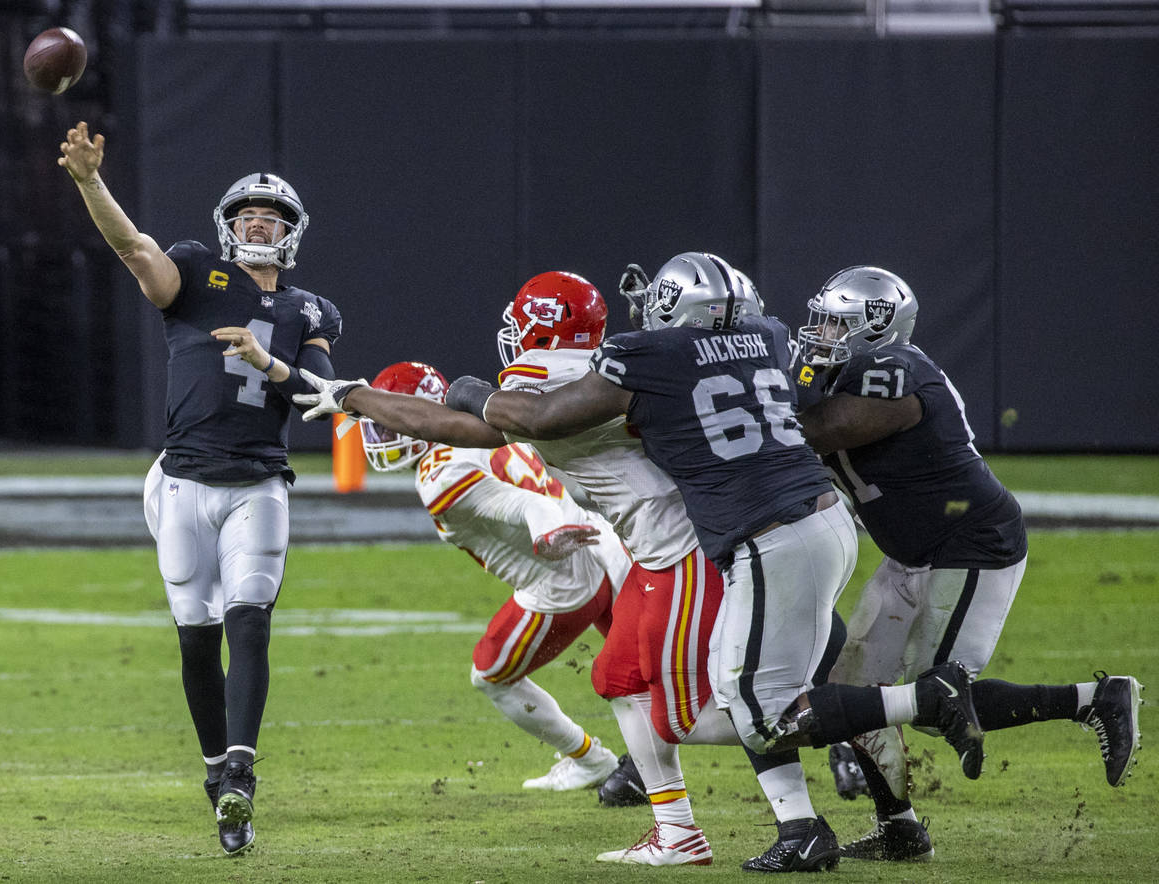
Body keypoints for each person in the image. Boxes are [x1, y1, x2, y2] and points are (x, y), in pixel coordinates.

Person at [430, 252, 991, 872]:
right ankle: (797, 822)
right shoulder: (767, 339)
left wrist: (461, 393)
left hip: (744, 537)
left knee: (747, 709)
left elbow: (540, 415)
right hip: (795, 523)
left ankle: (908, 715)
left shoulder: (647, 361)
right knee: (652, 681)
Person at [298, 271, 746, 867]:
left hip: (628, 557)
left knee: (679, 706)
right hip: (624, 549)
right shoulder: (589, 376)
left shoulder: (470, 448)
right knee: (624, 677)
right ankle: (676, 822)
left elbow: (522, 482)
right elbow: (518, 444)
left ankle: (829, 720)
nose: (386, 434)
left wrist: (548, 523)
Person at [790, 265, 1144, 861]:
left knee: (934, 700)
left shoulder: (897, 371)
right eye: (822, 318)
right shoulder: (851, 370)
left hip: (972, 543)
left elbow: (824, 429)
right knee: (854, 693)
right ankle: (899, 829)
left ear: (877, 329)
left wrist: (767, 399)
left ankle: (1097, 699)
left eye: (838, 323)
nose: (822, 332)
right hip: (911, 554)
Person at [59, 122, 343, 856]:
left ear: (291, 233)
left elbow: (322, 395)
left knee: (250, 619)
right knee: (196, 635)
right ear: (227, 226)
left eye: (271, 217)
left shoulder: (307, 310)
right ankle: (216, 773)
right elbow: (135, 251)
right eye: (248, 214)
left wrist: (269, 362)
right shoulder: (197, 277)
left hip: (258, 483)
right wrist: (91, 181)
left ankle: (242, 778)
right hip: (183, 480)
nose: (258, 224)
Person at [357, 359, 631, 791]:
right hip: (598, 552)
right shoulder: (482, 425)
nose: (387, 431)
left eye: (395, 419)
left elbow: (528, 505)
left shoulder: (440, 472)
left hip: (561, 581)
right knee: (645, 678)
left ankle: (591, 760)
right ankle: (652, 772)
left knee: (491, 675)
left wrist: (548, 530)